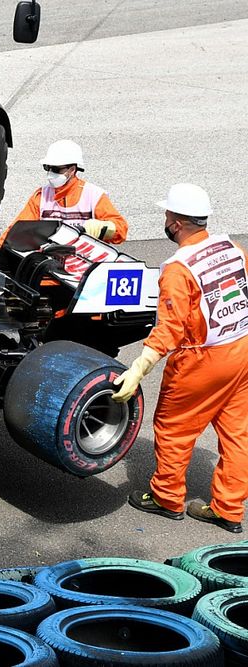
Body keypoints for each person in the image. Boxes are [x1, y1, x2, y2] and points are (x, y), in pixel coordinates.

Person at [112, 184, 248, 533]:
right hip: (241, 350)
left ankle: (167, 497)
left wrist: (138, 368)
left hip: (201, 361)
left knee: (174, 428)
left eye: (167, 215)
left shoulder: (177, 268)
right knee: (237, 434)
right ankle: (229, 508)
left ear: (175, 222)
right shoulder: (231, 247)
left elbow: (169, 329)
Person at [0, 140, 129, 248]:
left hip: (86, 265)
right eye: (47, 168)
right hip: (49, 266)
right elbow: (17, 230)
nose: (50, 173)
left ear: (72, 170)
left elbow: (121, 230)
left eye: (55, 169)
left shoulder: (93, 196)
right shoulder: (41, 197)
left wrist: (103, 228)